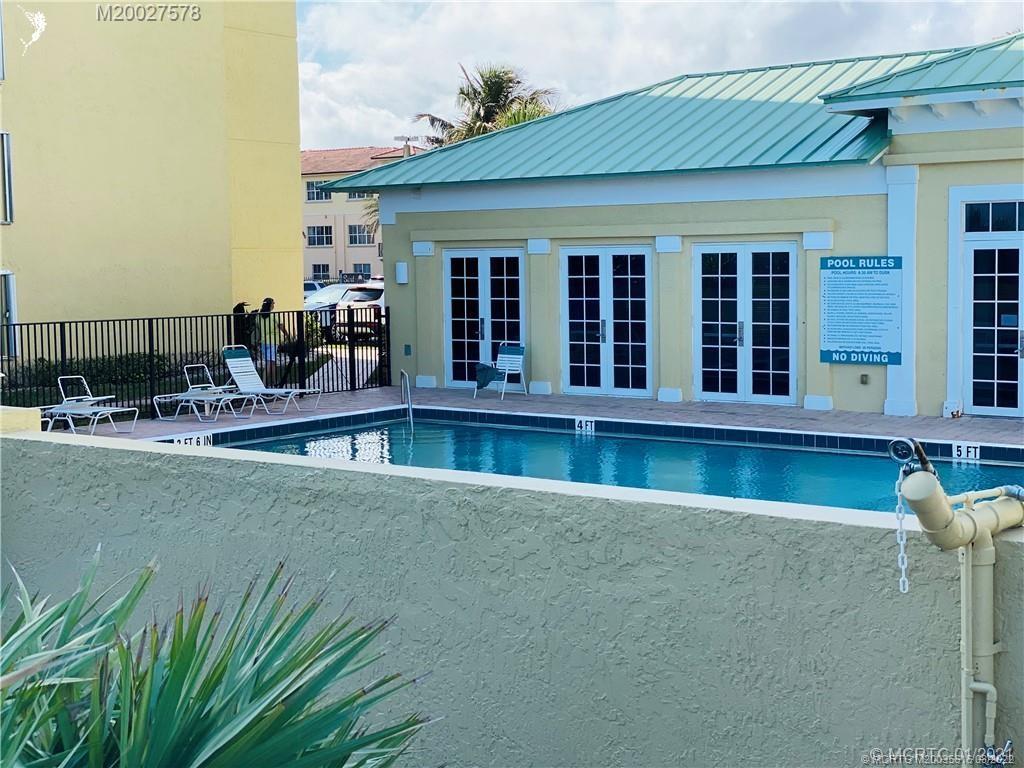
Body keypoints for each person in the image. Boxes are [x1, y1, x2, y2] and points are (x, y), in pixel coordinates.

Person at [256, 297, 291, 382]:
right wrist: (287, 335)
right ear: (270, 305)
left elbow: (258, 329)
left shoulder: (258, 317)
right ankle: (263, 382)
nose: (274, 305)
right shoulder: (273, 316)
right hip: (273, 341)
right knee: (269, 362)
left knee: (272, 362)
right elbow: (281, 326)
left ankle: (274, 381)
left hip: (264, 342)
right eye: (273, 303)